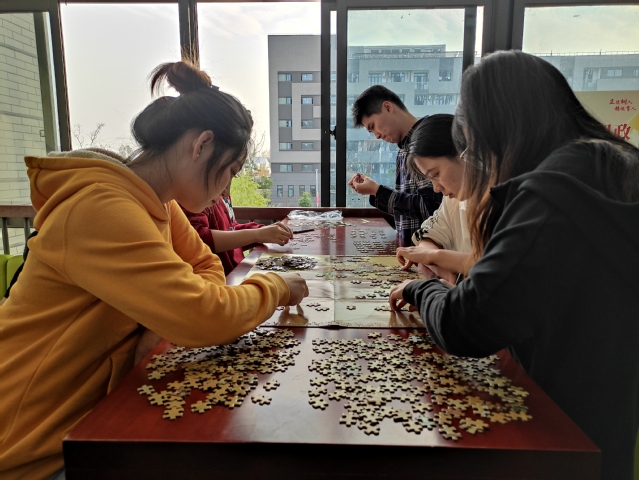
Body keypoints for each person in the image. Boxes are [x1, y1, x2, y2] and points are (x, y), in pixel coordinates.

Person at [0, 60, 308, 480]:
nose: (226, 188)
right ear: (201, 145)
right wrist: (275, 287)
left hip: (96, 418)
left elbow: (203, 262)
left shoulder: (158, 202)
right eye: (230, 172)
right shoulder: (101, 207)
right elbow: (204, 314)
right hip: (34, 443)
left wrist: (161, 323)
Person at [389, 50, 639, 480]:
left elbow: (465, 322)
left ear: (493, 130)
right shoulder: (614, 162)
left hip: (561, 428)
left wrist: (419, 288)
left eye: (472, 142)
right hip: (607, 413)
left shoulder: (553, 191)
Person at [347, 85, 442, 242]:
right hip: (412, 249)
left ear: (387, 107)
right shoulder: (403, 150)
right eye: (371, 131)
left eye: (373, 126)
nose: (377, 136)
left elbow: (432, 208)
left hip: (430, 250)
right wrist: (375, 192)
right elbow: (408, 209)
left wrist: (378, 191)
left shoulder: (426, 140)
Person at [393, 114, 471, 284]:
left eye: (436, 174)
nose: (436, 188)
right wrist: (449, 274)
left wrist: (435, 256)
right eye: (430, 179)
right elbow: (427, 238)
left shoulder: (508, 200)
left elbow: (495, 265)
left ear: (464, 154)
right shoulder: (452, 200)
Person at [181, 179, 293, 276]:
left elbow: (231, 229)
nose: (227, 192)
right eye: (230, 171)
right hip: (219, 281)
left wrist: (262, 231)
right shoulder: (194, 194)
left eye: (233, 175)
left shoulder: (221, 195)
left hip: (235, 273)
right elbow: (200, 239)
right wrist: (257, 235)